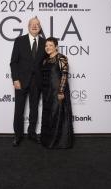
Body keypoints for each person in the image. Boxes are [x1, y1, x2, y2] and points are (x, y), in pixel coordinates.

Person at [10, 17, 46, 146]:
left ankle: (32, 133)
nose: (35, 26)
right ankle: (18, 135)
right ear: (28, 26)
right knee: (19, 109)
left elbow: (46, 63)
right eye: (32, 24)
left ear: (40, 27)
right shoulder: (19, 41)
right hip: (21, 81)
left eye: (37, 24)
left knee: (34, 109)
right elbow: (13, 62)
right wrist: (15, 79)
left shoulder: (44, 42)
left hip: (37, 82)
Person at [41, 37, 74, 149]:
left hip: (57, 91)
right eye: (46, 46)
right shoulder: (45, 60)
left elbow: (64, 75)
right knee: (48, 115)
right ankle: (48, 140)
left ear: (56, 46)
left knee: (57, 114)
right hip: (47, 93)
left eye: (50, 45)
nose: (48, 47)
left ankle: (59, 142)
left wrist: (61, 91)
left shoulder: (61, 58)